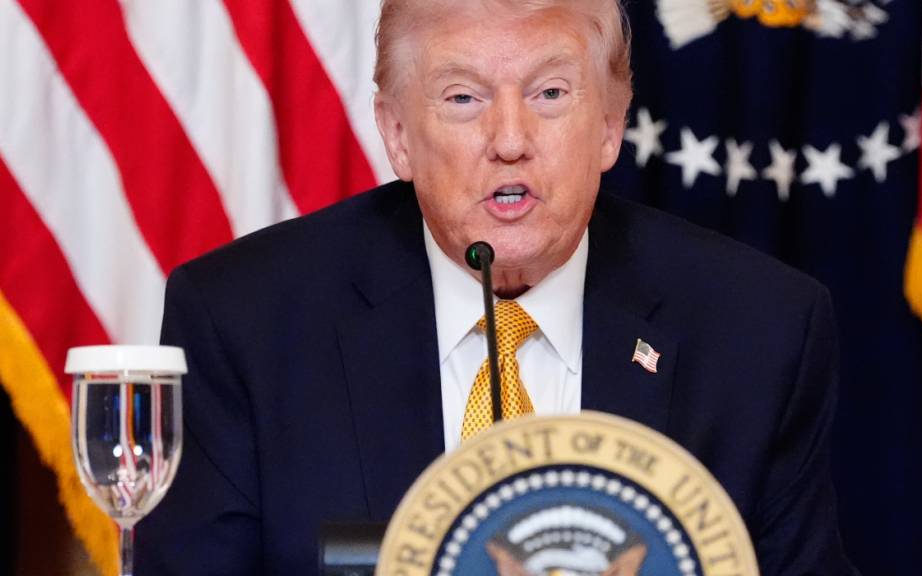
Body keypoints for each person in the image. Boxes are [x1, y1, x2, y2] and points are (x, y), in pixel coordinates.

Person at [136, 0, 857, 574]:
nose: (510, 137)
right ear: (397, 136)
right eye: (462, 98)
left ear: (609, 126)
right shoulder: (244, 321)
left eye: (549, 92)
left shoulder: (759, 329)